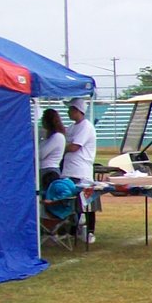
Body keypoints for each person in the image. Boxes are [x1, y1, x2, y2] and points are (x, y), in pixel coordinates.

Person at [60, 99, 98, 241]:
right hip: (69, 169)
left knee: (85, 201)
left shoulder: (86, 127)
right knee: (72, 202)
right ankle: (72, 229)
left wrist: (58, 149)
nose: (68, 112)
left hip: (80, 170)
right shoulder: (72, 127)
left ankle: (89, 230)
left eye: (71, 109)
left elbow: (75, 146)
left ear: (78, 110)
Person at [37, 108, 67, 191]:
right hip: (44, 170)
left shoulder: (57, 137)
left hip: (50, 171)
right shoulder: (49, 138)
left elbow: (41, 154)